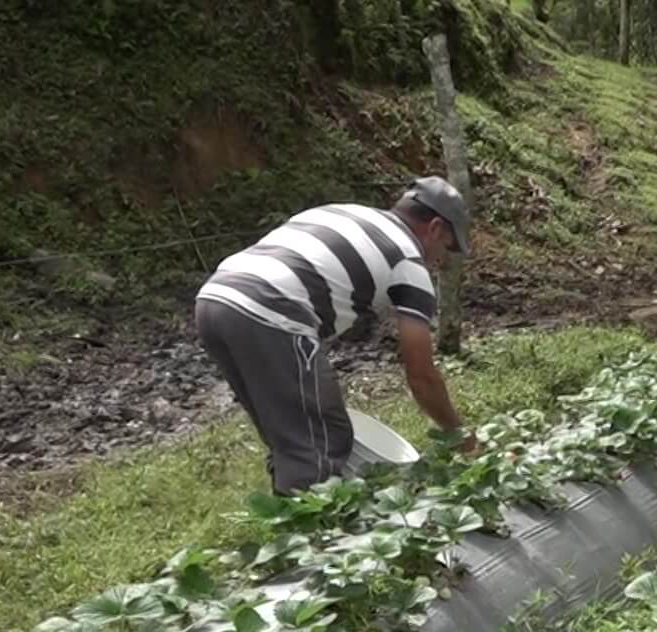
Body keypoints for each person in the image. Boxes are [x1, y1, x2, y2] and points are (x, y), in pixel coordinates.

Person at [193, 176, 475, 493]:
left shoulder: (344, 212)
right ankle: (315, 538)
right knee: (322, 439)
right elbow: (421, 374)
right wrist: (460, 436)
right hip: (271, 310)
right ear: (435, 227)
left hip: (215, 300)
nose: (439, 260)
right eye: (446, 248)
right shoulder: (407, 259)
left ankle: (292, 518)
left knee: (290, 433)